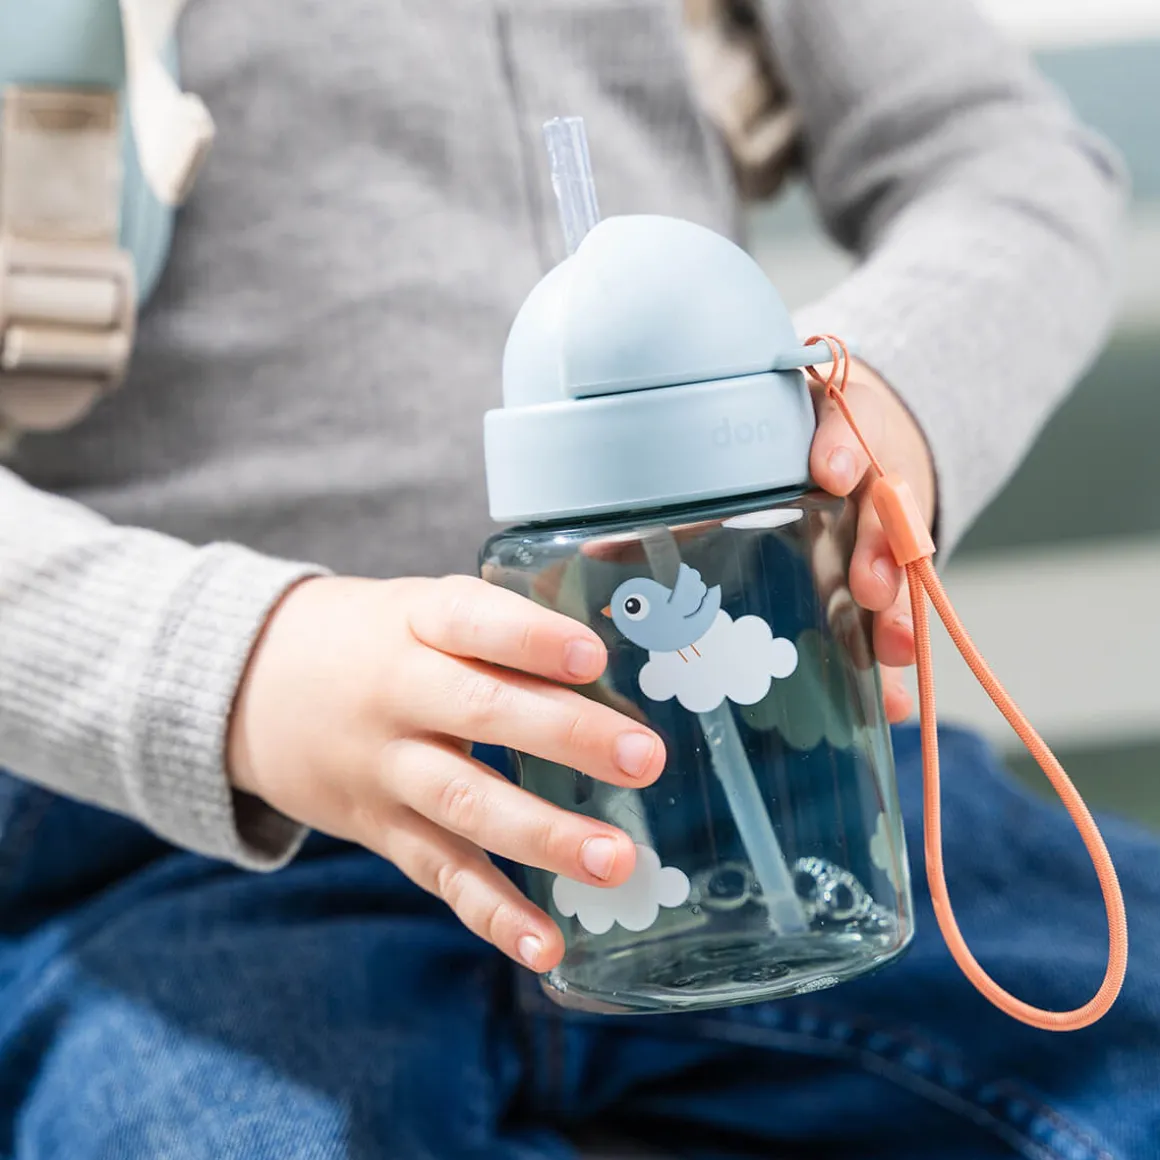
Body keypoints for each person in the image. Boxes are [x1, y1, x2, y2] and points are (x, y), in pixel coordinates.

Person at [0, 1, 1155, 1157]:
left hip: (765, 771)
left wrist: (878, 390)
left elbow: (1005, 161)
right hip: (186, 846)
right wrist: (235, 667)